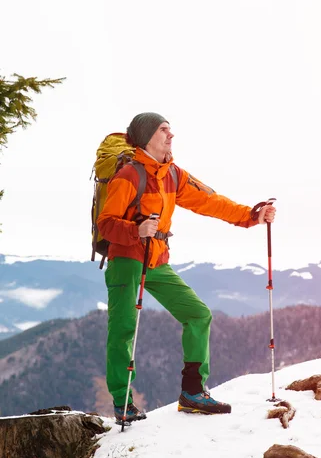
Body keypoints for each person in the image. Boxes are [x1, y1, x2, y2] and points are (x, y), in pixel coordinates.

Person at [97, 112, 276, 423]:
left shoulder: (173, 174)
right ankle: (122, 402)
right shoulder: (128, 176)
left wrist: (251, 215)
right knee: (124, 329)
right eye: (163, 130)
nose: (171, 135)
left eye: (170, 129)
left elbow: (210, 201)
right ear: (146, 137)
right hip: (126, 259)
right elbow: (106, 224)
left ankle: (192, 392)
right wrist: (135, 231)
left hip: (156, 259)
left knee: (198, 314)